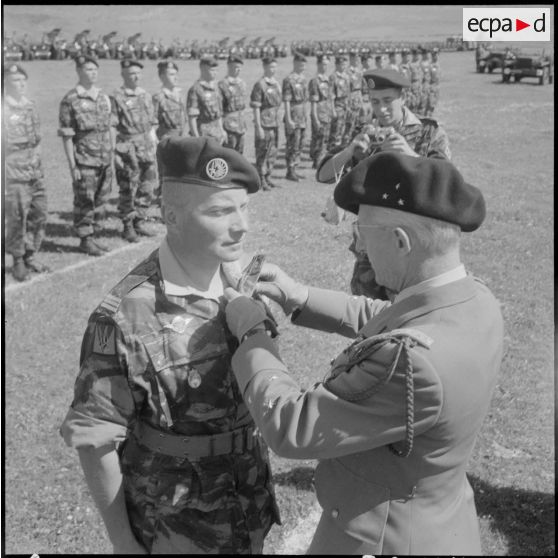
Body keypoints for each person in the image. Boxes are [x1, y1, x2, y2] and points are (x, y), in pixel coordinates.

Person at [223, 151, 504, 555]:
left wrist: (252, 332)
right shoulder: (474, 299)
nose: (358, 243)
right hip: (438, 522)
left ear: (400, 241)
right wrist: (299, 296)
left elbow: (292, 426)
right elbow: (390, 314)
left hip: (383, 540)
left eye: (363, 231)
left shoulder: (411, 364)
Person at [59, 136, 281, 554]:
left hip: (247, 505)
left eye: (243, 207)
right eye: (220, 211)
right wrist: (124, 542)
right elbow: (95, 440)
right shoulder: (126, 314)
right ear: (171, 216)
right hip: (177, 528)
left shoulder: (243, 280)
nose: (242, 225)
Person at [316, 69, 451, 299]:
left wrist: (412, 156)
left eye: (388, 101)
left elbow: (446, 183)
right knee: (368, 318)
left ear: (403, 98)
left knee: (410, 316)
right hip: (371, 248)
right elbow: (323, 175)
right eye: (375, 102)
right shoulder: (366, 132)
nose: (381, 109)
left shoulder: (429, 133)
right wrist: (350, 151)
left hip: (414, 247)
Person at [59, 54, 115, 257]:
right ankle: (85, 239)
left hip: (104, 159)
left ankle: (93, 235)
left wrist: (112, 152)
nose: (92, 73)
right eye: (88, 69)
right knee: (85, 200)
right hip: (84, 160)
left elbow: (110, 127)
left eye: (95, 69)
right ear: (78, 71)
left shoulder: (103, 96)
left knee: (101, 199)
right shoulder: (70, 99)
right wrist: (72, 165)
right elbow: (67, 135)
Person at [3, 64, 49, 281]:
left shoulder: (31, 106)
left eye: (23, 80)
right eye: (15, 81)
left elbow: (37, 139)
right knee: (16, 217)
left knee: (39, 214)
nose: (20, 84)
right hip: (12, 172)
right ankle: (18, 260)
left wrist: (37, 161)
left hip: (34, 171)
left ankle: (31, 254)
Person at [111, 58, 158, 243]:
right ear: (123, 74)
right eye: (131, 73)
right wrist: (114, 151)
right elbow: (113, 125)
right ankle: (128, 226)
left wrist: (153, 139)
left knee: (148, 186)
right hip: (128, 148)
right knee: (128, 188)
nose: (136, 76)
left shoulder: (145, 95)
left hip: (146, 146)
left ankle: (139, 219)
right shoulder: (116, 96)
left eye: (138, 72)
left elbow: (152, 122)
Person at [152, 60, 186, 204]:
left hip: (179, 137)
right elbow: (152, 122)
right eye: (171, 74)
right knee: (166, 174)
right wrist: (155, 141)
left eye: (176, 74)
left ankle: (175, 200)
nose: (175, 77)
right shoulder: (158, 97)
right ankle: (164, 205)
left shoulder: (178, 95)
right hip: (165, 138)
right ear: (162, 76)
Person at [250, 56, 283, 191]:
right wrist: (258, 127)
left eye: (274, 66)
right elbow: (256, 107)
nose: (273, 69)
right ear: (264, 67)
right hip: (264, 123)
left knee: (273, 151)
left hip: (274, 122)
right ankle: (260, 178)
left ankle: (268, 175)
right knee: (262, 152)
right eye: (270, 67)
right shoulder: (260, 84)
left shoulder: (276, 83)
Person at [186, 54, 227, 145]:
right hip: (203, 134)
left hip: (217, 134)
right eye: (212, 70)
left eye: (217, 70)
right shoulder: (196, 89)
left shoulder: (215, 88)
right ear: (203, 69)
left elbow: (218, 114)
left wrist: (222, 130)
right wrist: (196, 138)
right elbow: (192, 118)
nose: (215, 73)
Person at [282, 51, 309, 182]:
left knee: (301, 143)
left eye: (304, 65)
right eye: (301, 64)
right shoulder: (288, 80)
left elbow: (305, 99)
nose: (303, 67)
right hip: (293, 112)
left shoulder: (303, 79)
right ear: (295, 63)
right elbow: (286, 100)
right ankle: (290, 169)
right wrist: (288, 119)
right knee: (292, 143)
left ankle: (295, 168)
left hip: (302, 113)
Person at [218, 54, 248, 154]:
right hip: (229, 125)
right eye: (235, 67)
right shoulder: (222, 84)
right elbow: (219, 108)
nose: (237, 70)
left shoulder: (242, 83)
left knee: (240, 153)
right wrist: (221, 129)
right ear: (229, 66)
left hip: (241, 124)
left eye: (239, 68)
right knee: (228, 154)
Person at [308, 53, 333, 169]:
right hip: (319, 113)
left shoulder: (328, 79)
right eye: (323, 64)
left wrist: (332, 110)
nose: (325, 67)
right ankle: (316, 160)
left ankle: (321, 160)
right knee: (318, 138)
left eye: (326, 64)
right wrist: (315, 117)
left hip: (327, 112)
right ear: (318, 64)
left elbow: (330, 97)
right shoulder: (315, 81)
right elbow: (313, 102)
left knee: (325, 138)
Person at [327, 54, 350, 151]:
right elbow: (331, 95)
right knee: (335, 131)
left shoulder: (346, 76)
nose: (343, 67)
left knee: (344, 130)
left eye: (345, 65)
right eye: (341, 65)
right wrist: (332, 110)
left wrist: (348, 106)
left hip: (345, 105)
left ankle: (340, 150)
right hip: (337, 106)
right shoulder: (333, 77)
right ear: (336, 65)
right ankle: (332, 151)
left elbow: (348, 92)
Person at [343, 49, 365, 145]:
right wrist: (347, 104)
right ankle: (344, 146)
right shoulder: (347, 72)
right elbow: (345, 90)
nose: (358, 60)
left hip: (358, 99)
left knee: (358, 125)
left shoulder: (359, 71)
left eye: (358, 58)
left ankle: (355, 144)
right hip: (351, 101)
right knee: (349, 125)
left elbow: (361, 87)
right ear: (351, 58)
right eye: (356, 58)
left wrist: (362, 100)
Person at [425, 48, 440, 117]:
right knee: (429, 106)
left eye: (436, 54)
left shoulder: (438, 65)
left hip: (436, 87)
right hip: (431, 87)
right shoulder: (429, 65)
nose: (435, 56)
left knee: (433, 105)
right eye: (434, 55)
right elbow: (427, 78)